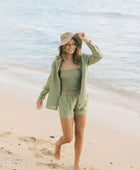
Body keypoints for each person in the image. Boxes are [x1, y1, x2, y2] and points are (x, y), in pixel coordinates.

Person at [36, 32, 103, 170]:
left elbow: (99, 56)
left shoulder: (83, 59)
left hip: (81, 99)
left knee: (80, 133)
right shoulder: (57, 63)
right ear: (62, 46)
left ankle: (76, 162)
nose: (71, 47)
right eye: (68, 44)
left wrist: (86, 40)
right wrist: (42, 96)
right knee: (68, 137)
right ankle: (58, 145)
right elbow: (51, 81)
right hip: (65, 100)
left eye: (73, 44)